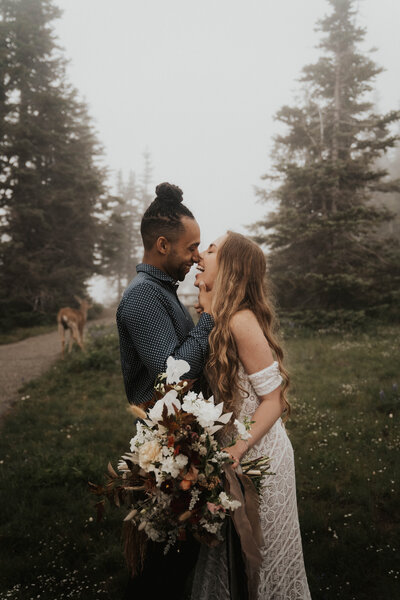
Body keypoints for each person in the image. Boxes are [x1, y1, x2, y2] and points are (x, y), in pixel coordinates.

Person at [192, 231, 311, 600]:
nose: (200, 253)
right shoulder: (215, 317)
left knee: (264, 558)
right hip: (234, 454)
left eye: (211, 250)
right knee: (231, 560)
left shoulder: (241, 321)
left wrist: (237, 450)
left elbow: (273, 400)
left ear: (230, 267)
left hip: (260, 456)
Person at [116, 182, 214, 599]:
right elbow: (172, 378)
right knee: (164, 568)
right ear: (161, 244)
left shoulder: (162, 292)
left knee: (177, 560)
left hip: (179, 443)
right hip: (165, 451)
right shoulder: (141, 299)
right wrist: (209, 320)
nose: (197, 256)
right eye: (191, 247)